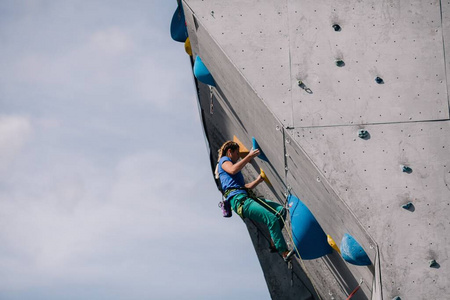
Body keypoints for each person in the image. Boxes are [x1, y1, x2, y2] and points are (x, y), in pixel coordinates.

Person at [216, 141, 292, 260]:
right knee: (271, 219)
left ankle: (274, 241)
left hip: (246, 198)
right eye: (237, 153)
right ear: (229, 152)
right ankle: (283, 252)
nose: (238, 157)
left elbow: (246, 187)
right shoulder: (224, 160)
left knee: (280, 211)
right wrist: (249, 156)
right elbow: (232, 170)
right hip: (240, 201)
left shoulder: (232, 170)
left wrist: (258, 180)